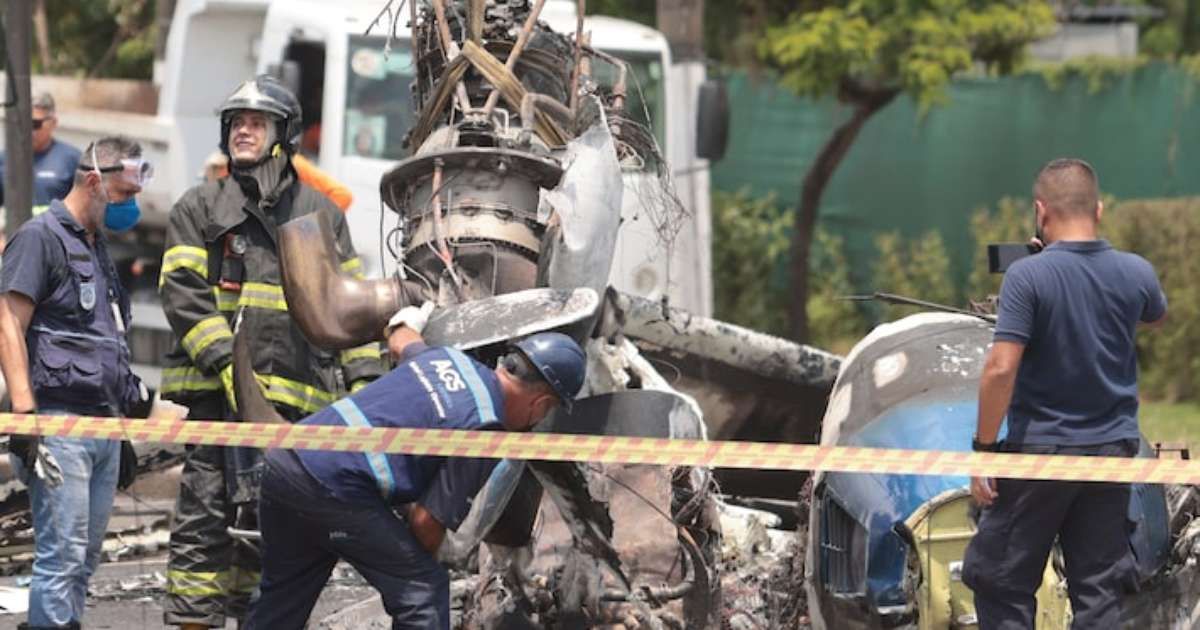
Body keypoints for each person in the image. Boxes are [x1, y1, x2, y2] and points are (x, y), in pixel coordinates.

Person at [159, 75, 384, 629]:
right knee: (204, 526)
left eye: (256, 123)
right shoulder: (200, 207)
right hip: (218, 403)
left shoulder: (320, 215)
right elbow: (183, 294)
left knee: (277, 540)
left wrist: (367, 395)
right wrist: (229, 371)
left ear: (286, 135)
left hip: (297, 411)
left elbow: (349, 310)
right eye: (236, 122)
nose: (242, 131)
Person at [243, 309, 587, 629]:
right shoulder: (487, 425)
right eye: (548, 411)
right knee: (423, 591)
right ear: (541, 404)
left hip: (287, 463)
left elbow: (400, 339)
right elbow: (425, 523)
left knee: (282, 601)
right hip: (334, 487)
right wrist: (436, 558)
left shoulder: (449, 358)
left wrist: (406, 317)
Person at [962, 158, 1168, 628]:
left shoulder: (1027, 277)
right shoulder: (1136, 272)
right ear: (1098, 210)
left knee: (1000, 579)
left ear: (1041, 211)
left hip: (1042, 453)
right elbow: (1155, 315)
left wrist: (984, 451)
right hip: (1112, 453)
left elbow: (1000, 369)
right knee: (1099, 589)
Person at [0, 135, 150, 630]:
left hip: (104, 427)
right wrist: (24, 411)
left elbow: (107, 339)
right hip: (60, 425)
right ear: (93, 181)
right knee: (61, 559)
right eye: (124, 196)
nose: (131, 208)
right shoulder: (40, 238)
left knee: (82, 561)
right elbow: (7, 324)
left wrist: (126, 423)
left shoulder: (97, 247)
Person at [0, 92, 82, 214]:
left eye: (35, 124)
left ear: (53, 123)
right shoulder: (5, 159)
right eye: (24, 123)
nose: (29, 130)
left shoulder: (73, 159)